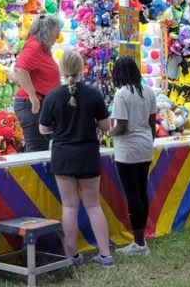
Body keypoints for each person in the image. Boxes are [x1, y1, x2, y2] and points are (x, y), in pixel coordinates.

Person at [39, 51, 114, 268]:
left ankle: (72, 256)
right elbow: (105, 126)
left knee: (69, 206)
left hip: (63, 156)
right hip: (88, 155)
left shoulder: (52, 96)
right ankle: (105, 254)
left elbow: (44, 128)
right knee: (93, 205)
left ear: (61, 69)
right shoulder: (93, 94)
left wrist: (61, 129)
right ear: (82, 69)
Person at [108, 57, 157, 256]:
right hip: (145, 146)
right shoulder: (148, 91)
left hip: (127, 150)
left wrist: (107, 132)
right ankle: (141, 239)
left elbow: (121, 126)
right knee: (141, 192)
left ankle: (138, 243)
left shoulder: (121, 94)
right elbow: (152, 123)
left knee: (132, 195)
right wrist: (148, 141)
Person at [13, 15, 62, 152]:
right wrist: (33, 97)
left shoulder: (41, 48)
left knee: (39, 148)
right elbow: (20, 69)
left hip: (39, 104)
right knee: (37, 150)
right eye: (56, 32)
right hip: (32, 105)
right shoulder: (34, 47)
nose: (58, 36)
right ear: (48, 31)